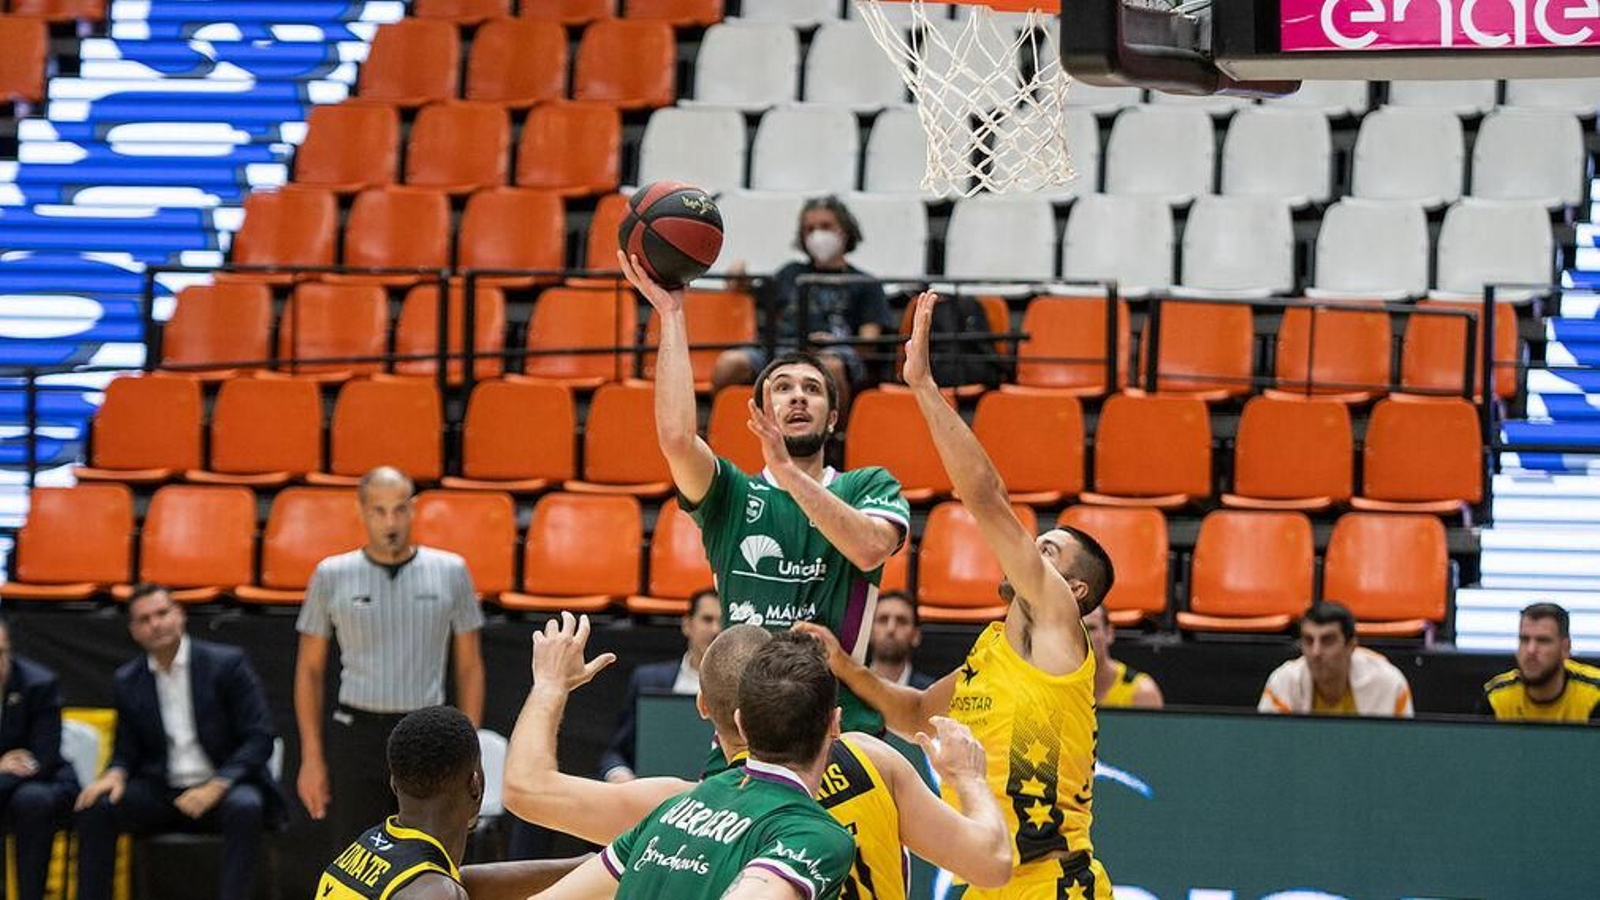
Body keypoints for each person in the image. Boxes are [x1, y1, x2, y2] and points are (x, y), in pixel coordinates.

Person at [796, 292, 1118, 899]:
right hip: (986, 883)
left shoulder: (1058, 625)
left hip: (1053, 885)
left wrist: (922, 387)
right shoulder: (994, 649)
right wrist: (842, 667)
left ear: (1075, 590)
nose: (1029, 553)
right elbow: (916, 717)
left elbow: (988, 499)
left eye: (1046, 550)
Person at [504, 615, 1012, 900]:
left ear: (708, 708)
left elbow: (526, 790)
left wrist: (550, 684)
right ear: (832, 720)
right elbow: (990, 864)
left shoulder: (680, 806)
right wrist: (968, 779)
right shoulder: (873, 759)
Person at [620, 250, 910, 739]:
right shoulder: (732, 493)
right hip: (745, 733)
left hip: (841, 729)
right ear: (759, 410)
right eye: (783, 388)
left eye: (813, 390)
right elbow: (675, 439)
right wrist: (671, 314)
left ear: (833, 418)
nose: (798, 396)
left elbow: (869, 547)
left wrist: (789, 474)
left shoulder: (866, 484)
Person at [294, 466, 487, 848]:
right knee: (357, 855)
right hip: (357, 732)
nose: (390, 522)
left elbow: (470, 667)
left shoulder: (451, 570)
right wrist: (311, 758)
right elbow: (309, 671)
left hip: (427, 734)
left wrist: (470, 752)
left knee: (429, 856)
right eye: (379, 511)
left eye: (399, 509)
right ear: (361, 511)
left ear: (414, 510)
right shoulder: (331, 574)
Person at [74, 584, 282, 900]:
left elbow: (259, 738)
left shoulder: (226, 664)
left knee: (247, 807)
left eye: (162, 613)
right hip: (163, 790)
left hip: (223, 786)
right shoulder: (127, 680)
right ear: (133, 631)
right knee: (97, 807)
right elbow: (126, 750)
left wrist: (217, 785)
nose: (155, 624)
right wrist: (114, 774)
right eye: (144, 619)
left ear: (180, 615)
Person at [316, 706, 587, 900]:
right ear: (476, 785)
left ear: (394, 784)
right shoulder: (437, 890)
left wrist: (588, 867)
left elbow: (468, 881)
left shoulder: (371, 846)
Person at [712, 195, 891, 401]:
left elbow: (868, 342)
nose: (817, 234)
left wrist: (834, 342)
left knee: (829, 368)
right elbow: (750, 295)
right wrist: (739, 277)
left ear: (845, 230)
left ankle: (833, 433)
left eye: (825, 226)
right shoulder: (790, 273)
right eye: (810, 229)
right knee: (729, 363)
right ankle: (717, 429)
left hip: (834, 353)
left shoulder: (865, 283)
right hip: (782, 349)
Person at [600, 589, 722, 783]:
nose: (716, 629)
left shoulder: (739, 688)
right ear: (687, 625)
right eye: (707, 619)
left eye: (722, 622)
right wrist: (620, 775)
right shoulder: (647, 679)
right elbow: (616, 753)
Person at [0, 618, 79, 900]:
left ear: (9, 650)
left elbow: (42, 759)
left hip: (44, 781)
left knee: (32, 800)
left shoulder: (39, 683)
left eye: (0, 653)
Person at [1258, 603, 1413, 718]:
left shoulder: (1389, 683)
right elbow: (1267, 747)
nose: (1316, 652)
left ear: (1351, 646)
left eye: (1327, 640)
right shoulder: (1284, 681)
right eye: (1308, 640)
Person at [1480, 602, 1600, 722]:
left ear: (1565, 648)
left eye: (1543, 641)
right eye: (1524, 640)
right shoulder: (1496, 697)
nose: (1531, 650)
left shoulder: (1595, 694)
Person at [1083, 606, 1163, 710]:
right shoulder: (1058, 690)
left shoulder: (1142, 693)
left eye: (1091, 628)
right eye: (1077, 628)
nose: (1084, 636)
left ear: (1109, 633)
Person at [868, 592, 935, 689]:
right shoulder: (849, 691)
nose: (891, 629)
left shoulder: (933, 693)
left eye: (901, 621)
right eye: (883, 620)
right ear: (869, 631)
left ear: (916, 635)